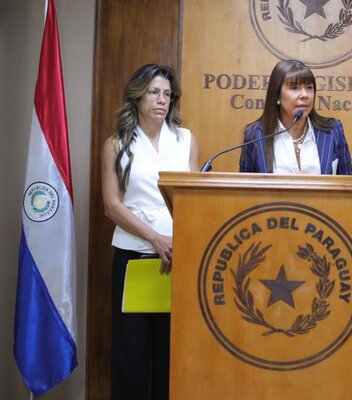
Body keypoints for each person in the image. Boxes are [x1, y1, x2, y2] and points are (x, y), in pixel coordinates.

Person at [101, 64, 200, 399]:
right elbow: (112, 205)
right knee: (131, 353)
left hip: (177, 258)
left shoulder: (185, 140)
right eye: (154, 92)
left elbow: (194, 199)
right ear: (137, 96)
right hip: (135, 256)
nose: (162, 100)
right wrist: (155, 238)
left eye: (168, 95)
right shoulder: (116, 144)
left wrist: (177, 243)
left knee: (171, 350)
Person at [239, 59, 352, 175]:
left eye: (309, 88)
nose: (304, 95)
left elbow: (349, 183)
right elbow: (244, 185)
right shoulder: (255, 135)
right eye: (294, 88)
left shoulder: (333, 130)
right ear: (277, 95)